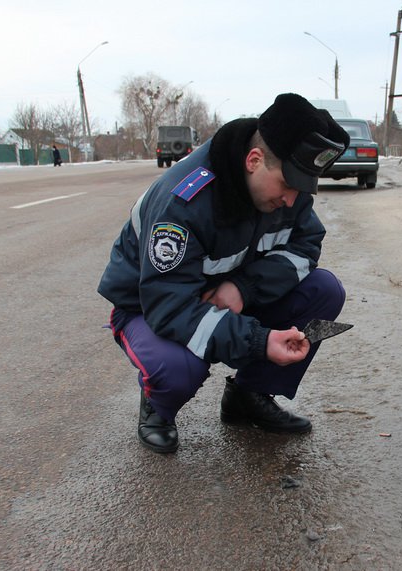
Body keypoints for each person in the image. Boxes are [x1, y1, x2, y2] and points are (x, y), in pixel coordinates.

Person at [98, 93, 350, 453]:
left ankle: (248, 396)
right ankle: (158, 406)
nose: (292, 200)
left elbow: (306, 245)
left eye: (301, 188)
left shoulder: (285, 186)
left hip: (225, 294)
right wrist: (259, 341)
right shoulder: (184, 202)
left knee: (323, 290)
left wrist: (243, 288)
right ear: (254, 160)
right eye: (287, 185)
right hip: (150, 307)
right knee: (178, 369)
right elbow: (169, 306)